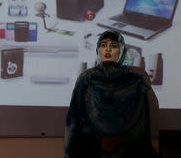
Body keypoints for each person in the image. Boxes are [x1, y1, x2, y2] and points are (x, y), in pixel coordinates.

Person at [64, 30, 158, 158]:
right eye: (103, 45)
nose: (108, 49)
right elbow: (75, 120)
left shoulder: (136, 80)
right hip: (90, 150)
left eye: (113, 46)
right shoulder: (86, 78)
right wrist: (98, 142)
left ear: (122, 51)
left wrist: (121, 140)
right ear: (98, 50)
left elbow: (142, 122)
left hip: (129, 150)